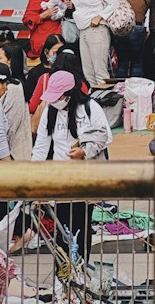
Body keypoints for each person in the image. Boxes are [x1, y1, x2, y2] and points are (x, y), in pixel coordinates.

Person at [31, 70, 112, 266]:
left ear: (69, 93)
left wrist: (84, 151)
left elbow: (106, 137)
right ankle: (64, 275)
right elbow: (41, 147)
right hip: (62, 180)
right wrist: (33, 180)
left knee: (82, 227)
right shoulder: (50, 111)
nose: (55, 101)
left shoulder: (90, 108)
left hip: (85, 179)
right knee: (61, 229)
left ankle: (81, 271)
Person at [70, 0, 119, 88]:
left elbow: (115, 2)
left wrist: (100, 16)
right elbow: (78, 6)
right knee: (88, 70)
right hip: (83, 29)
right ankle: (94, 99)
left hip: (98, 28)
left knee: (100, 69)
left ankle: (105, 99)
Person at [22, 0, 72, 64]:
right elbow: (27, 19)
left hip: (64, 36)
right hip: (43, 40)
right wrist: (43, 15)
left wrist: (71, 7)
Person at [0, 39, 33, 158]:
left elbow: (10, 124)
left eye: (0, 58)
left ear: (10, 61)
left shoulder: (14, 88)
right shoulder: (7, 85)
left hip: (14, 154)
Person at [24, 32, 64, 103]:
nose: (59, 55)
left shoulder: (66, 70)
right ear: (46, 52)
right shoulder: (34, 73)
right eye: (55, 52)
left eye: (61, 52)